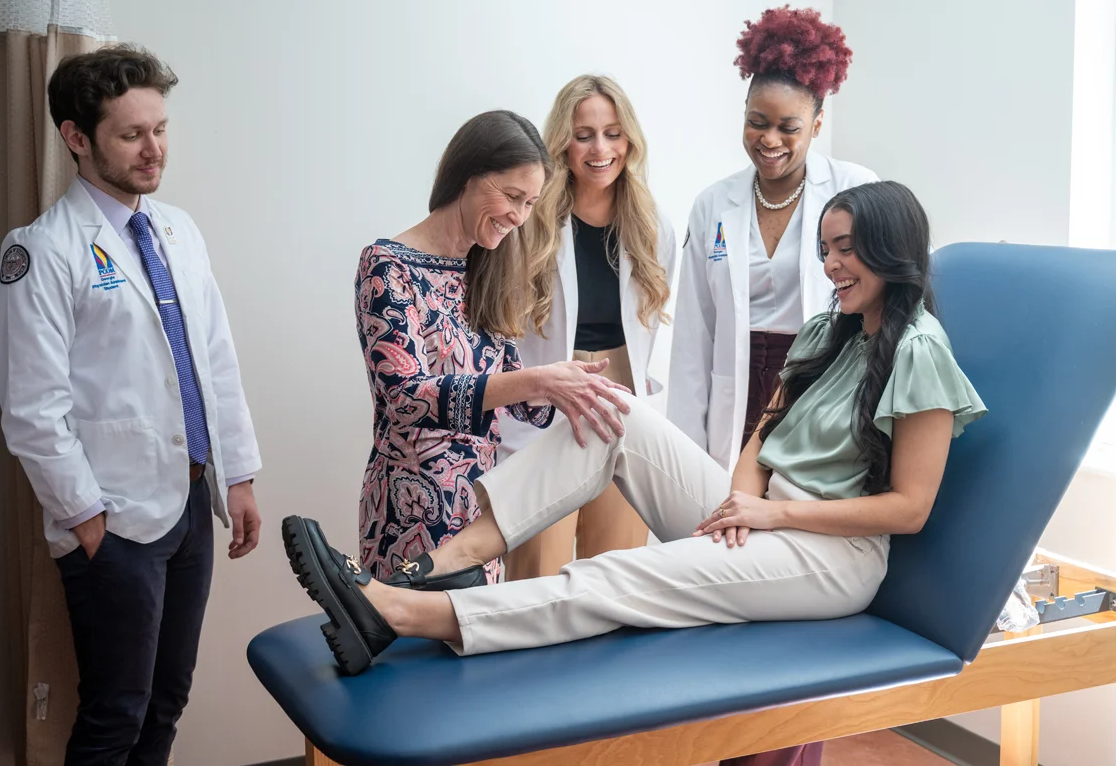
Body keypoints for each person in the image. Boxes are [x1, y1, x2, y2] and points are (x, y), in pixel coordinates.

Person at [282, 181, 988, 689]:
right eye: (826, 250)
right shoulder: (824, 332)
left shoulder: (920, 351)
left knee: (622, 574)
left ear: (891, 251)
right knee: (615, 411)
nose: (831, 266)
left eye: (846, 251)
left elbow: (909, 508)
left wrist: (772, 514)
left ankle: (402, 612)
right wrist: (735, 507)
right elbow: (764, 432)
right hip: (760, 519)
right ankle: (451, 557)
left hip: (833, 555)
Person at [0, 46, 262, 765]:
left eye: (161, 129)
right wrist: (86, 520)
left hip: (191, 503)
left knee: (168, 700)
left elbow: (215, 362)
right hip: (114, 523)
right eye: (131, 135)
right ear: (77, 137)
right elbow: (30, 408)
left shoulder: (178, 230)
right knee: (116, 713)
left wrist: (238, 475)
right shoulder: (40, 253)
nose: (154, 150)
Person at [354, 109, 633, 586]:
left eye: (530, 203)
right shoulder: (387, 266)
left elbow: (518, 400)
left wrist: (566, 389)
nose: (518, 217)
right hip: (409, 512)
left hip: (481, 514)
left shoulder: (487, 272)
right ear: (466, 176)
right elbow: (404, 398)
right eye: (511, 196)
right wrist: (535, 380)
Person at [669, 4, 879, 476]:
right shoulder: (713, 204)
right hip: (737, 381)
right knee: (724, 515)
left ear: (817, 125)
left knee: (795, 507)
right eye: (757, 121)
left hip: (822, 377)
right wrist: (683, 445)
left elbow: (891, 296)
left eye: (789, 128)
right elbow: (693, 333)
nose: (770, 140)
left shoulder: (854, 189)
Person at [498, 75, 676, 580]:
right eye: (584, 134)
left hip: (622, 402)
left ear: (630, 141)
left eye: (613, 133)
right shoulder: (527, 225)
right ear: (562, 143)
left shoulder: (652, 226)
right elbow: (500, 331)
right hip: (545, 402)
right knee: (536, 576)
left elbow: (646, 335)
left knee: (617, 575)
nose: (601, 148)